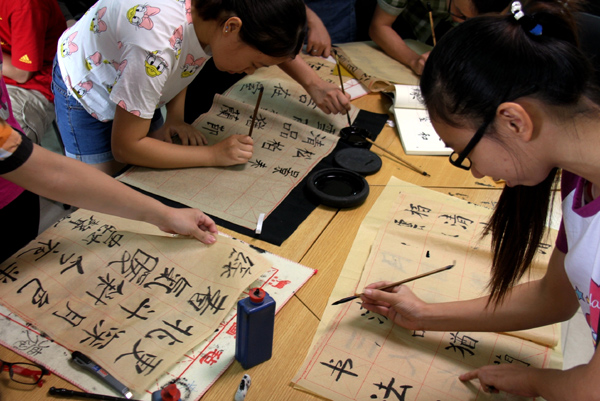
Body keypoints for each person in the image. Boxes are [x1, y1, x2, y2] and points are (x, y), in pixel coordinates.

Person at [361, 0, 600, 397]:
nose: (475, 172)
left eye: (465, 152)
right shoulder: (580, 175)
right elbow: (555, 297)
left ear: (514, 121)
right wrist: (424, 315)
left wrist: (532, 381)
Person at [52, 0, 351, 176]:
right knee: (101, 191)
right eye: (254, 63)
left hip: (135, 75)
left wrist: (175, 118)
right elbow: (126, 147)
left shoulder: (214, 18)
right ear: (232, 27)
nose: (249, 72)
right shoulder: (156, 46)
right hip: (88, 86)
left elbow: (184, 59)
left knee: (145, 170)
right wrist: (213, 155)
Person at [1, 118, 219, 263]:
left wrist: (166, 215)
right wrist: (165, 215)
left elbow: (51, 172)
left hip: (17, 190)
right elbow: (53, 174)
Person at [369, 0, 511, 75]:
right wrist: (414, 60)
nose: (461, 22)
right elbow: (379, 26)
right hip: (404, 18)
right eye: (459, 11)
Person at [0, 0, 67, 144]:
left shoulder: (25, 5)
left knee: (6, 145)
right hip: (6, 75)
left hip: (28, 86)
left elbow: (22, 73)